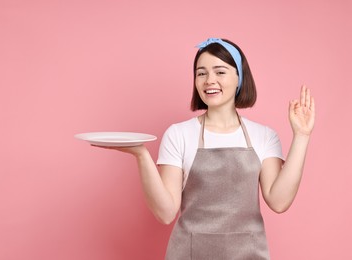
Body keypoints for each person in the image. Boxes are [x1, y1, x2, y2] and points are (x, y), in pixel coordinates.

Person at [93, 38, 315, 259]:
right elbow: (166, 212)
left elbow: (279, 201)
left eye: (220, 72)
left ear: (239, 77)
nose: (209, 80)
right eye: (201, 73)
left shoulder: (264, 136)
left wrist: (302, 136)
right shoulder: (178, 134)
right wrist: (141, 155)